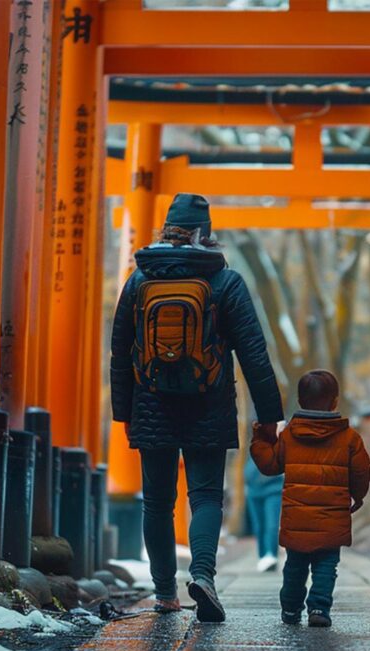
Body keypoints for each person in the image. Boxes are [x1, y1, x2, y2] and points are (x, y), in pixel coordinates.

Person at [111, 193, 284, 623]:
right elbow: (254, 354)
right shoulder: (224, 281)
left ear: (167, 229)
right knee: (206, 496)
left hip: (151, 402)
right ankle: (203, 575)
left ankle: (165, 592)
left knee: (156, 501)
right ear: (205, 234)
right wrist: (269, 417)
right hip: (210, 402)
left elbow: (119, 351)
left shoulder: (139, 280)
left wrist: (124, 412)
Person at [249, 370, 370, 628]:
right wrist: (357, 496)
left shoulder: (290, 436)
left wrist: (260, 438)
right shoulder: (349, 438)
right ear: (335, 402)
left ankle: (291, 609)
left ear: (301, 401)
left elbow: (270, 465)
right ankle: (319, 607)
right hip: (332, 518)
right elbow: (361, 471)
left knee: (295, 566)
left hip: (297, 518)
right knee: (326, 567)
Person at [243, 439, 283, 572]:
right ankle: (262, 557)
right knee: (258, 525)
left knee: (271, 524)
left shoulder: (279, 436)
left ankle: (271, 556)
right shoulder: (254, 439)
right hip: (253, 491)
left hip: (273, 489)